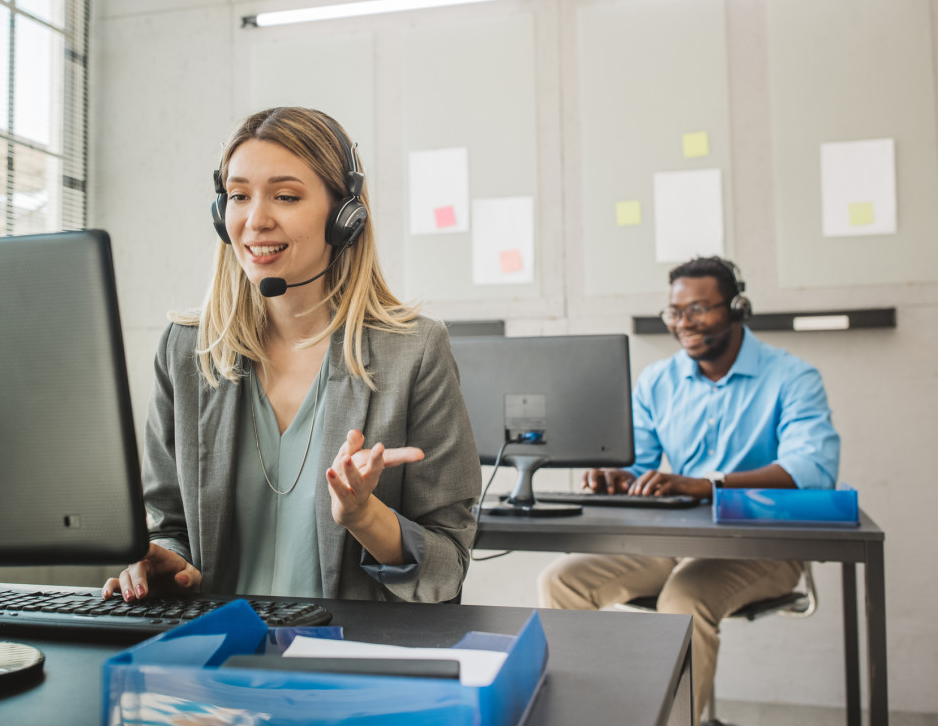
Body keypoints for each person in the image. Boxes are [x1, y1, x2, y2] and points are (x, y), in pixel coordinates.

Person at [103, 107, 481, 604]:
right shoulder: (187, 351)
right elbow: (169, 524)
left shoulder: (413, 352)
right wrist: (163, 560)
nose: (256, 220)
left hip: (346, 662)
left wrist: (366, 518)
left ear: (345, 217)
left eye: (285, 196)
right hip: (213, 662)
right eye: (238, 196)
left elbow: (447, 565)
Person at [537, 256, 840, 721]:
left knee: (684, 597)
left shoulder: (792, 377)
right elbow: (638, 465)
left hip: (764, 546)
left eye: (698, 309)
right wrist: (617, 477)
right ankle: (588, 717)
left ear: (738, 307)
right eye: (675, 312)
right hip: (672, 541)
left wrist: (708, 485)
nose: (684, 324)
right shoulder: (658, 380)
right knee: (562, 580)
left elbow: (813, 468)